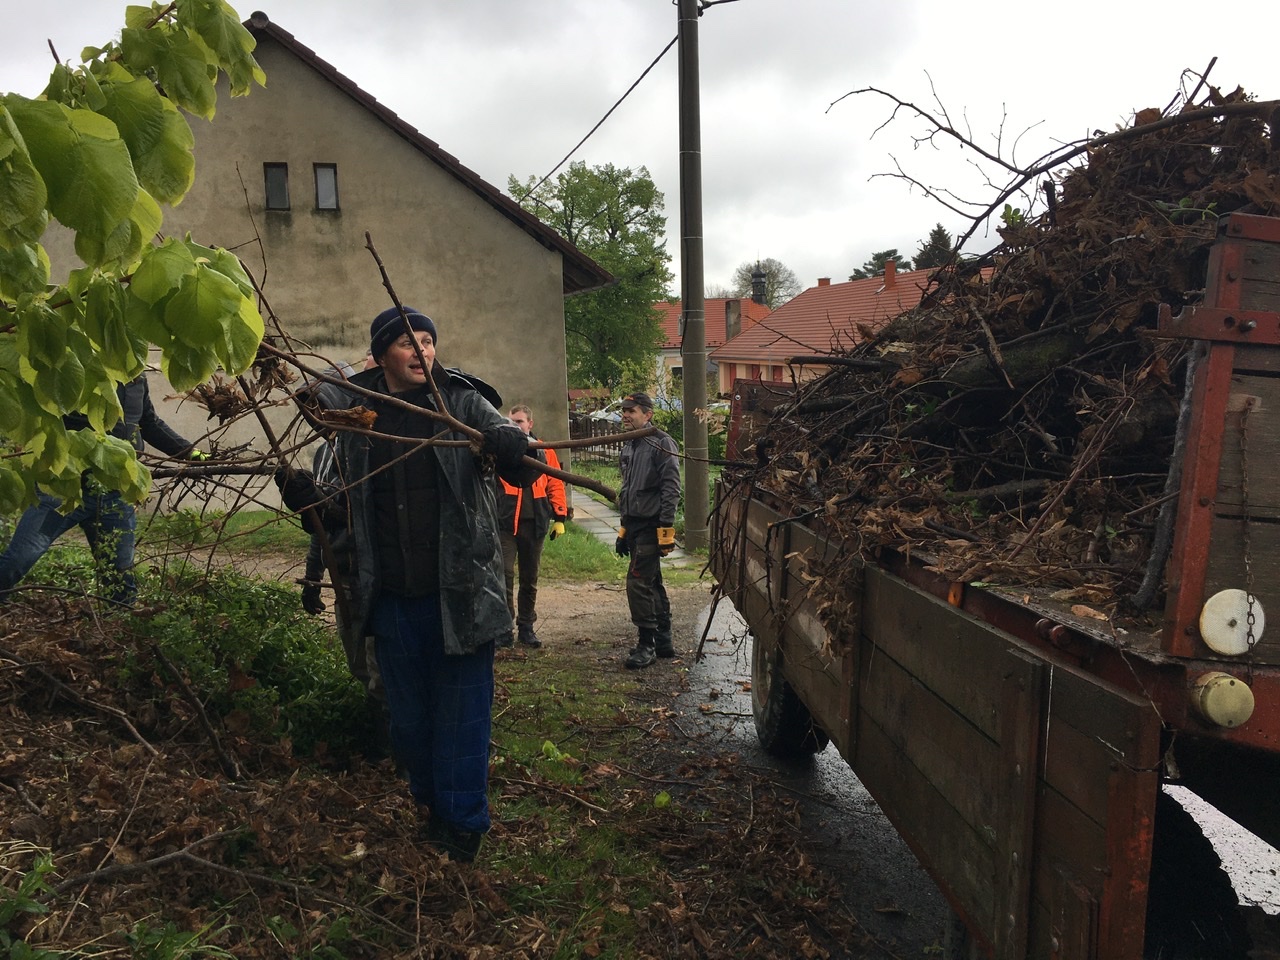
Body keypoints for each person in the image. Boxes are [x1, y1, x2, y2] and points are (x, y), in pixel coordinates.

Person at [307, 305, 531, 863]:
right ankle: (431, 807)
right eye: (407, 342)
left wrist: (508, 444)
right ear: (382, 352)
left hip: (460, 597)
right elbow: (312, 401)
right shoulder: (363, 410)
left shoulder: (457, 400)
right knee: (407, 723)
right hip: (391, 599)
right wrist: (307, 496)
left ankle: (463, 827)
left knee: (462, 718)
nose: (422, 350)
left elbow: (513, 450)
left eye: (428, 341)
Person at [0, 374, 204, 606]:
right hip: (63, 489)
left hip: (114, 494)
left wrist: (192, 453)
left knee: (120, 578)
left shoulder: (137, 380)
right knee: (21, 557)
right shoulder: (86, 370)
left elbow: (149, 423)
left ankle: (117, 633)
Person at [614, 392, 681, 669]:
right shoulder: (629, 445)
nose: (626, 415)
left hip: (652, 525)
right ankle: (663, 640)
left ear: (648, 414)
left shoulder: (662, 443)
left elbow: (671, 487)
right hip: (635, 525)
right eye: (624, 411)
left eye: (632, 411)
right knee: (652, 582)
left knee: (638, 583)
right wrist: (622, 530)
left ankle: (647, 644)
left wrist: (665, 528)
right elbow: (628, 489)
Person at [496, 404, 568, 649]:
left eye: (518, 422)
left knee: (530, 578)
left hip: (534, 522)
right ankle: (504, 627)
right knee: (504, 575)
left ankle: (526, 626)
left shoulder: (544, 450)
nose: (514, 425)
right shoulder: (502, 449)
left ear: (530, 424)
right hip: (505, 522)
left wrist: (559, 516)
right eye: (511, 421)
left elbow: (556, 482)